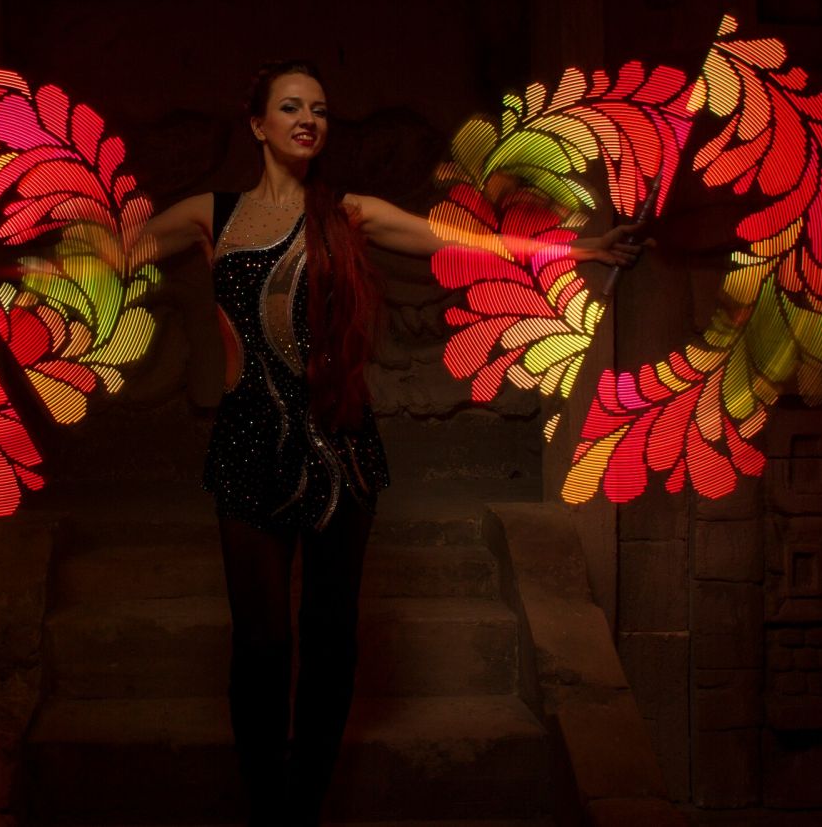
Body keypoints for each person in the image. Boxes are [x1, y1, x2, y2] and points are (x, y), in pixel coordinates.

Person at [140, 60, 642, 825]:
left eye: (319, 109)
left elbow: (463, 242)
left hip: (339, 445)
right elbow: (109, 257)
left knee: (330, 637)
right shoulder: (213, 215)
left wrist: (582, 251)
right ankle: (266, 808)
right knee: (263, 643)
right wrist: (2, 273)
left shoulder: (350, 213)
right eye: (291, 107)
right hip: (248, 446)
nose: (308, 120)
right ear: (257, 122)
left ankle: (304, 808)